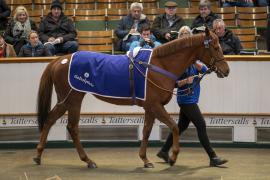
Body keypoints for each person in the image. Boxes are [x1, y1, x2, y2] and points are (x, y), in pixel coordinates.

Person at [157, 26, 228, 167]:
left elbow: (206, 70)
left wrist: (199, 63)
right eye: (182, 34)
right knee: (201, 125)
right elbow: (173, 82)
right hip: (186, 99)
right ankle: (213, 157)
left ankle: (164, 151)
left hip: (192, 98)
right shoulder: (179, 63)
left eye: (187, 34)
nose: (184, 36)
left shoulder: (193, 61)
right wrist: (184, 81)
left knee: (181, 126)